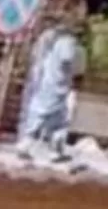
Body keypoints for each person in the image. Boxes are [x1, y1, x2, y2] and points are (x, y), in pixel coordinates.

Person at [17, 17, 85, 155]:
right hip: (55, 83)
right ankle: (27, 144)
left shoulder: (49, 39)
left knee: (59, 118)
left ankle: (55, 149)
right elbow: (67, 60)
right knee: (44, 113)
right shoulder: (66, 42)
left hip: (47, 81)